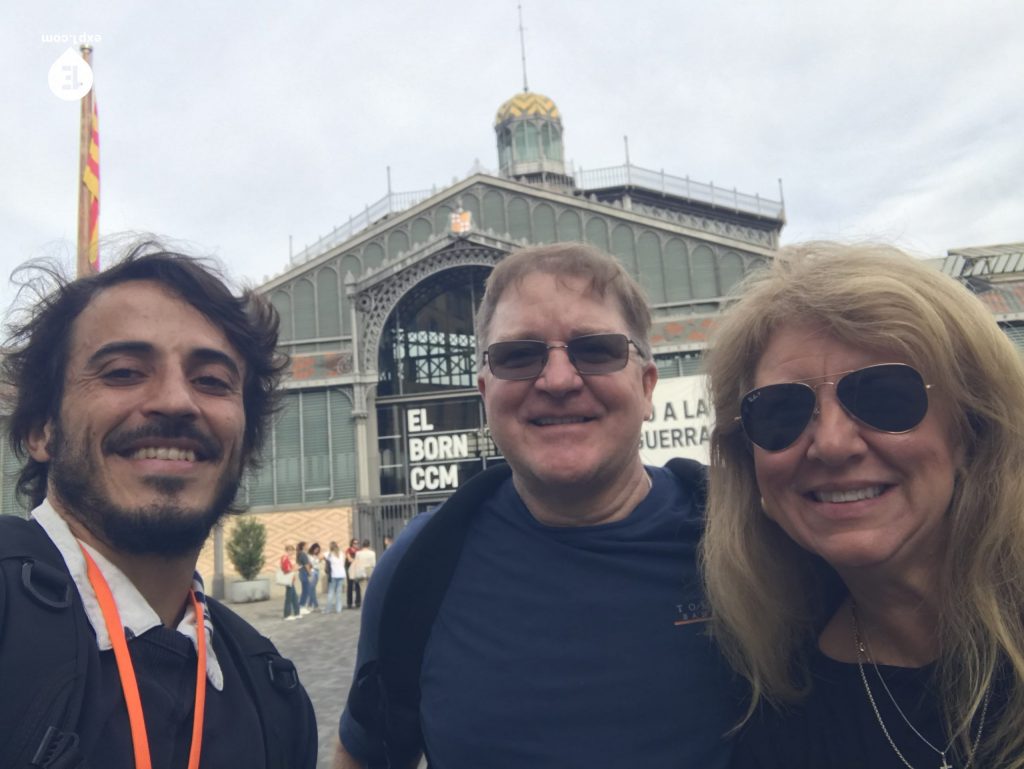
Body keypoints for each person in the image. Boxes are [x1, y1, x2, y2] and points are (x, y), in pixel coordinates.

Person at [333, 243, 740, 769]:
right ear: (485, 392)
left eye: (595, 350)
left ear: (646, 386)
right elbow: (365, 756)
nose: (558, 380)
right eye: (518, 356)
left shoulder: (742, 540)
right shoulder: (421, 565)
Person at [701, 242, 1024, 768]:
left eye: (884, 397)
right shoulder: (776, 707)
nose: (831, 444)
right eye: (782, 411)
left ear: (970, 432)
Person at [0, 241, 317, 768]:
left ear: (246, 442)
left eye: (212, 381)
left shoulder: (273, 695)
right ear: (41, 430)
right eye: (123, 371)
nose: (175, 400)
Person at [280, 543, 301, 620]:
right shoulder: (285, 558)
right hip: (289, 581)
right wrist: (294, 569)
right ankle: (287, 615)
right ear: (288, 550)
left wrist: (294, 567)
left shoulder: (287, 558)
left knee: (294, 597)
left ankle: (297, 613)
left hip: (291, 580)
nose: (292, 553)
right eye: (292, 551)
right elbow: (286, 570)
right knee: (289, 598)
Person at [325, 540, 347, 613]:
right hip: (341, 574)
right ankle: (338, 609)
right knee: (339, 593)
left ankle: (328, 609)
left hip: (334, 575)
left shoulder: (329, 554)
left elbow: (320, 557)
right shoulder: (341, 553)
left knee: (331, 592)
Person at [344, 537, 361, 609]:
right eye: (355, 543)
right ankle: (349, 603)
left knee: (358, 586)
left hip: (357, 569)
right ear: (351, 543)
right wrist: (356, 560)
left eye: (357, 543)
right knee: (350, 586)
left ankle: (358, 602)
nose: (356, 544)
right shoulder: (348, 550)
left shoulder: (359, 551)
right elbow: (349, 559)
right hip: (350, 569)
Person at [306, 541, 322, 612]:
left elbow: (318, 563)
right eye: (316, 549)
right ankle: (315, 605)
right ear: (313, 549)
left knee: (312, 589)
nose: (316, 551)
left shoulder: (316, 556)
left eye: (318, 550)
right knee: (311, 589)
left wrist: (318, 559)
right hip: (312, 572)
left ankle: (310, 605)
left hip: (317, 571)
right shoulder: (309, 555)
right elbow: (310, 564)